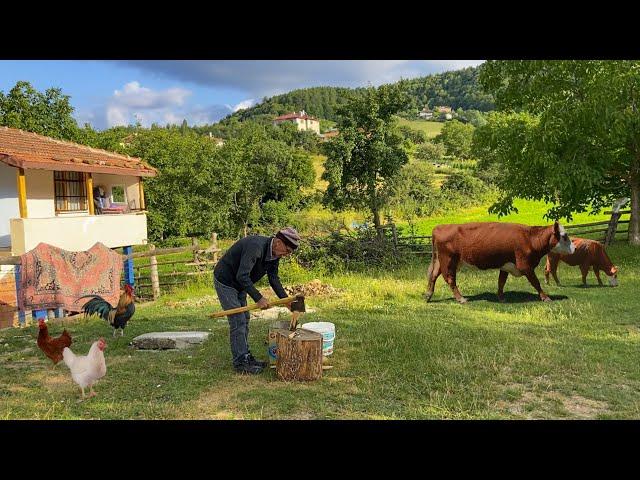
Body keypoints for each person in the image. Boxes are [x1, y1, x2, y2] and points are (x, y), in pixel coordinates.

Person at [213, 227, 300, 374]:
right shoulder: (256, 247)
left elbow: (273, 278)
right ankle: (240, 363)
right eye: (287, 251)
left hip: (240, 283)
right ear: (278, 242)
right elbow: (242, 276)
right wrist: (258, 298)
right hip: (226, 281)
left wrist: (286, 300)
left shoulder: (275, 253)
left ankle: (246, 356)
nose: (286, 255)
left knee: (245, 319)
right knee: (238, 320)